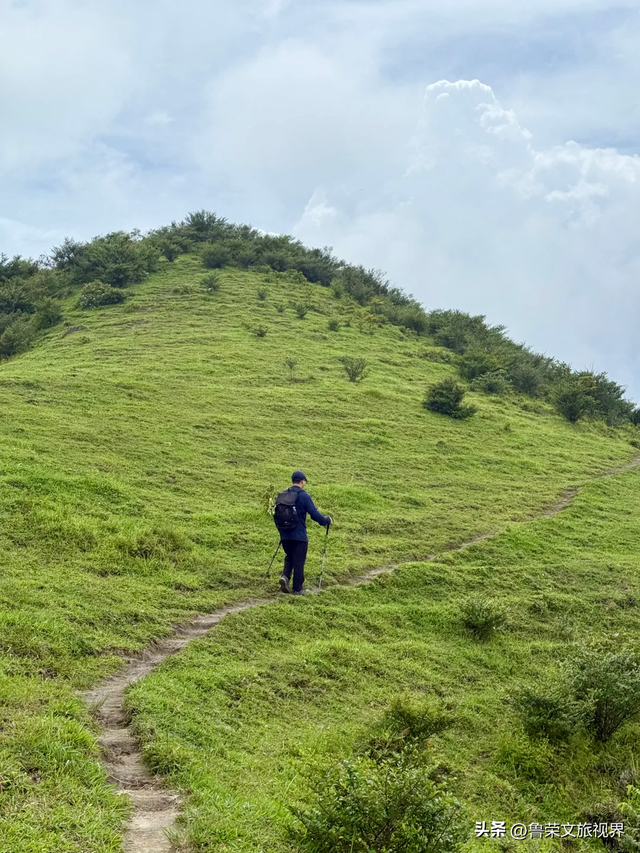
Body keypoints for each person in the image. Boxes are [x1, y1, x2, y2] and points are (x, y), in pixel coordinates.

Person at [277, 470, 331, 595]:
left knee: (289, 556)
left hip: (284, 534)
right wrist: (326, 521)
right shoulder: (304, 496)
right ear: (302, 481)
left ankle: (285, 576)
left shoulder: (283, 494)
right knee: (299, 561)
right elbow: (314, 513)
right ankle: (297, 589)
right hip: (299, 535)